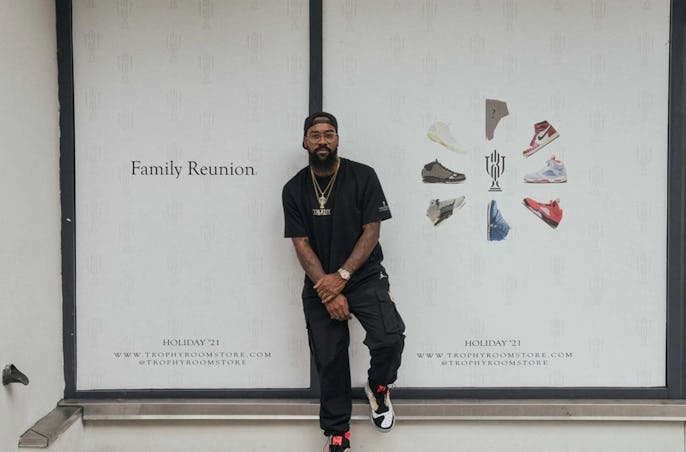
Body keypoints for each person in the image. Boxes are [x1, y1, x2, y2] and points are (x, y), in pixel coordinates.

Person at [282, 112, 406, 452]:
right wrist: (327, 287)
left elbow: (372, 230)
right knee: (330, 356)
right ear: (305, 141)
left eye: (329, 134)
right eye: (315, 135)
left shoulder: (363, 177)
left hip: (363, 275)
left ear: (338, 139)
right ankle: (338, 432)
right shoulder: (293, 188)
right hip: (320, 280)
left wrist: (344, 277)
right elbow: (301, 244)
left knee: (389, 336)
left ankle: (378, 387)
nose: (323, 140)